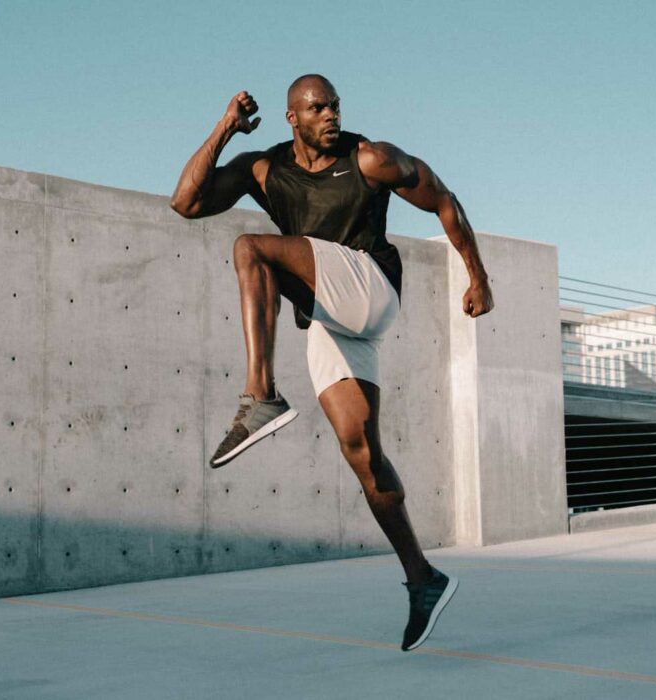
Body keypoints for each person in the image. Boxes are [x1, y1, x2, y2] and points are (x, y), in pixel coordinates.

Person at [170, 74, 493, 651]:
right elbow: (186, 203)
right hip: (330, 315)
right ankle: (423, 576)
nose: (331, 116)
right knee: (361, 450)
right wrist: (225, 129)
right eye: (318, 108)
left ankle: (260, 396)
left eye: (335, 107)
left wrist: (478, 277)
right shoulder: (265, 169)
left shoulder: (369, 159)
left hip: (370, 285)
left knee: (250, 248)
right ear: (292, 117)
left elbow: (442, 198)